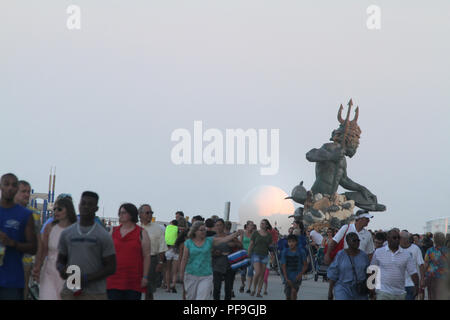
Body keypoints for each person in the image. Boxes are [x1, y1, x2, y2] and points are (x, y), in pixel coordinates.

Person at [57, 191, 116, 300]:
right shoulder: (67, 233)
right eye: (83, 203)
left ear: (96, 208)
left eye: (90, 204)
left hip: (95, 293)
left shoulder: (103, 235)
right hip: (70, 291)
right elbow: (61, 259)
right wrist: (61, 269)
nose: (85, 207)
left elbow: (111, 267)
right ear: (78, 206)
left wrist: (87, 278)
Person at [179, 221, 243, 300]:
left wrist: (235, 234)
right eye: (201, 230)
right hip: (191, 274)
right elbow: (184, 259)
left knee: (202, 298)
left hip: (206, 275)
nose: (204, 232)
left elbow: (224, 239)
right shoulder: (188, 243)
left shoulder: (209, 240)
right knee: (191, 297)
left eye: (204, 230)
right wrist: (181, 273)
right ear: (195, 231)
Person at [0, 173, 37, 300]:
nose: (10, 188)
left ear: (16, 189)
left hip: (12, 280)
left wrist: (12, 243)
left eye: (13, 185)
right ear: (1, 186)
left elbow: (33, 248)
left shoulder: (25, 215)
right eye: (6, 184)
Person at [32, 196, 77, 299]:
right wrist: (38, 267)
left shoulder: (77, 230)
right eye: (55, 209)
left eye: (60, 209)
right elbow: (43, 250)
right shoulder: (49, 227)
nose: (56, 211)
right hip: (50, 270)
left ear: (68, 210)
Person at [107, 203, 150, 300]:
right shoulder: (113, 231)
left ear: (131, 214)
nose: (120, 215)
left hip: (133, 279)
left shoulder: (141, 233)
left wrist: (145, 276)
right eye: (120, 213)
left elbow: (146, 256)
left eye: (124, 213)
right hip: (114, 279)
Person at [370, 229, 419, 300]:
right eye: (394, 238)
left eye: (398, 238)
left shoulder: (406, 255)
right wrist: (371, 287)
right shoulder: (378, 252)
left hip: (400, 292)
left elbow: (413, 272)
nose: (397, 240)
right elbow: (372, 270)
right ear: (388, 239)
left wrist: (417, 286)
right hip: (383, 291)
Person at [14, 180, 41, 299]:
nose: (26, 194)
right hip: (4, 259)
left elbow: (39, 241)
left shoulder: (34, 214)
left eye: (28, 192)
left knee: (23, 290)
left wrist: (38, 264)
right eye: (23, 191)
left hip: (25, 261)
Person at [327, 232, 370, 300]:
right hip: (343, 288)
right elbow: (333, 273)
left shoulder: (363, 256)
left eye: (358, 240)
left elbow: (368, 273)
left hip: (360, 289)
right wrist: (330, 291)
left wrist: (371, 290)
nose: (357, 242)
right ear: (347, 242)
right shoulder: (340, 255)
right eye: (354, 240)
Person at [138, 204, 167, 300]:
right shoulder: (135, 227)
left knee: (149, 290)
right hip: (136, 260)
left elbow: (162, 248)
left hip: (151, 260)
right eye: (147, 213)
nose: (150, 215)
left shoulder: (157, 229)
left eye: (151, 212)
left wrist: (161, 262)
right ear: (140, 214)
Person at [212, 219, 242, 300]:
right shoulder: (212, 238)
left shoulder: (230, 236)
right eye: (216, 225)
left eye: (220, 225)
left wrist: (233, 244)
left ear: (223, 226)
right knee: (216, 288)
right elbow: (209, 252)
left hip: (229, 266)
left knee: (228, 289)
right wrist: (216, 253)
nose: (218, 227)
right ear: (214, 227)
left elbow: (240, 245)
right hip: (216, 265)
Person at [247, 219, 273, 297]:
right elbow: (251, 244)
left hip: (265, 255)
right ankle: (253, 289)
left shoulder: (269, 235)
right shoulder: (255, 233)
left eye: (264, 223)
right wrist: (248, 254)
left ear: (267, 225)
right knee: (257, 272)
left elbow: (270, 246)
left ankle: (258, 292)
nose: (262, 224)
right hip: (255, 254)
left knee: (262, 274)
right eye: (261, 223)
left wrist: (272, 254)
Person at [422, 232, 448, 300]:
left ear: (434, 240)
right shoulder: (448, 251)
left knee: (432, 296)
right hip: (444, 278)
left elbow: (426, 264)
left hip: (431, 277)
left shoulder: (430, 250)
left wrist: (422, 276)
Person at [281, 234, 308, 300]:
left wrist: (300, 274)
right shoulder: (285, 252)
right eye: (289, 242)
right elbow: (283, 266)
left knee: (294, 292)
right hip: (288, 276)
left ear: (296, 242)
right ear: (287, 242)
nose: (291, 243)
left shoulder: (301, 252)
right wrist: (286, 278)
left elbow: (305, 265)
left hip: (297, 276)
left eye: (293, 241)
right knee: (288, 296)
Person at [400, 231, 424, 300]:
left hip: (412, 284)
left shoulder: (415, 249)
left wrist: (422, 279)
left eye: (400, 238)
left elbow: (421, 264)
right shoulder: (397, 248)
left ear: (405, 239)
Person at [239, 221, 254, 293]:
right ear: (247, 226)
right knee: (243, 272)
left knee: (250, 271)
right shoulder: (243, 233)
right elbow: (240, 243)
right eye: (250, 225)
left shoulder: (254, 234)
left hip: (252, 254)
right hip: (244, 254)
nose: (252, 226)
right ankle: (242, 284)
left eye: (253, 225)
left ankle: (249, 288)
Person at [165, 220, 179, 293]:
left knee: (168, 270)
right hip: (176, 250)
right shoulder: (178, 229)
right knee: (175, 271)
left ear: (171, 223)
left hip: (168, 249)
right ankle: (173, 284)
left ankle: (167, 287)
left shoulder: (167, 227)